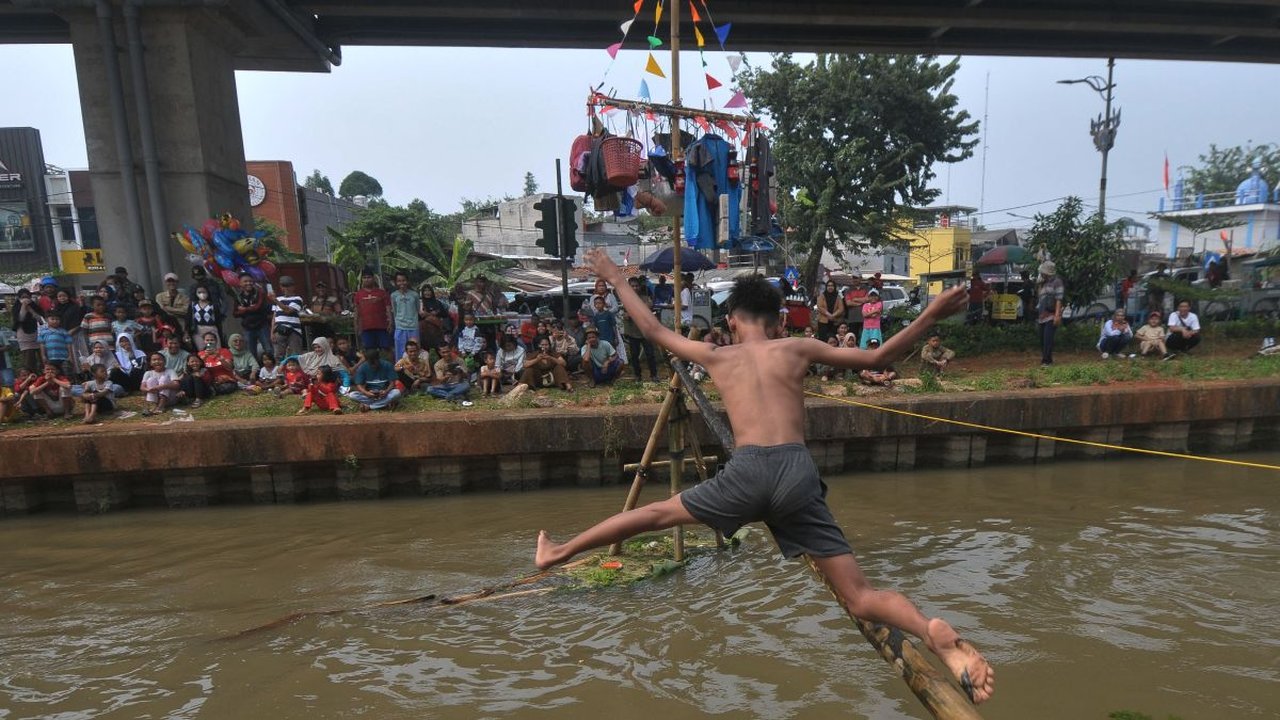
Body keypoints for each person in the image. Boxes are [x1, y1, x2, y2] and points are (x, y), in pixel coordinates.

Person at [534, 248, 994, 706]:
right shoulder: (797, 348)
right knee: (860, 596)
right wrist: (930, 313)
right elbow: (878, 358)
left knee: (654, 514)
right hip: (797, 473)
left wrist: (616, 277)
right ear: (777, 325)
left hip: (747, 472)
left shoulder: (717, 355)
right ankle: (930, 632)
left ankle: (559, 551)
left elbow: (653, 331)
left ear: (732, 321)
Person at [622, 277, 659, 382]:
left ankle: (654, 375)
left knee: (650, 354)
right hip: (632, 331)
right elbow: (626, 314)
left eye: (636, 286)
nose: (635, 288)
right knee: (634, 355)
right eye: (632, 286)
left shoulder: (646, 298)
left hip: (645, 331)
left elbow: (649, 308)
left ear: (640, 287)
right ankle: (637, 375)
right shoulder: (626, 299)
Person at [231, 272, 272, 359]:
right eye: (245, 281)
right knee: (251, 352)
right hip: (248, 328)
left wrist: (244, 309)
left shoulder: (259, 293)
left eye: (250, 281)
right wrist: (250, 308)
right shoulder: (238, 297)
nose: (248, 283)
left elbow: (258, 307)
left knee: (268, 349)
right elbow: (235, 313)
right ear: (240, 283)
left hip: (262, 325)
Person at [353, 269, 393, 352]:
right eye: (364, 278)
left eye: (369, 277)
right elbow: (357, 311)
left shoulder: (382, 293)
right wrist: (356, 325)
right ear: (362, 280)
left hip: (382, 327)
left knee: (385, 350)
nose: (367, 279)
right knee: (370, 352)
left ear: (373, 278)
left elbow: (388, 308)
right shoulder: (358, 294)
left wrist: (391, 322)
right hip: (366, 328)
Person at [1035, 261, 1064, 366]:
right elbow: (1040, 297)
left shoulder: (1057, 282)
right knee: (1042, 339)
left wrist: (1057, 315)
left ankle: (1046, 361)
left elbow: (1058, 299)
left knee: (1048, 339)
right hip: (1042, 315)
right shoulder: (1044, 283)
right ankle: (1047, 359)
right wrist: (1039, 284)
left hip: (1051, 314)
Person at [270, 275, 306, 361]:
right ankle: (280, 369)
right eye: (283, 286)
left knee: (296, 355)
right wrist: (272, 332)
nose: (286, 288)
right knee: (278, 355)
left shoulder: (298, 299)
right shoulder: (278, 299)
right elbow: (274, 317)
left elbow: (288, 310)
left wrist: (275, 300)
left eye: (288, 286)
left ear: (293, 287)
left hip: (294, 330)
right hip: (279, 329)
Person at [389, 272, 421, 360]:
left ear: (407, 281)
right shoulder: (394, 295)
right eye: (399, 281)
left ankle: (416, 367)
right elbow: (394, 310)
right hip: (400, 327)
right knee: (400, 350)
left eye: (404, 280)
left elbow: (417, 309)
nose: (402, 283)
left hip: (413, 326)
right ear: (396, 282)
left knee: (414, 350)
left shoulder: (414, 295)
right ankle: (401, 367)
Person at [11, 288, 44, 373]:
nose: (25, 299)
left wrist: (30, 309)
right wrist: (23, 306)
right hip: (24, 335)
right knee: (29, 359)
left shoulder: (34, 305)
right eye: (23, 297)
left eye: (27, 297)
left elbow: (41, 320)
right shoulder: (16, 307)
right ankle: (30, 376)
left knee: (43, 358)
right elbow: (20, 319)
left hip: (38, 334)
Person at [155, 272, 191, 341]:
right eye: (169, 281)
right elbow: (161, 309)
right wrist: (178, 310)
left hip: (180, 324)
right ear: (166, 283)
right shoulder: (159, 296)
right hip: (165, 324)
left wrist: (168, 308)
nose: (171, 283)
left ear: (177, 282)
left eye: (173, 281)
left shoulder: (185, 297)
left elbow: (186, 311)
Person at [418, 285, 452, 350]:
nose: (427, 292)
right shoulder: (420, 303)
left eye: (429, 290)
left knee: (438, 348)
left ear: (432, 292)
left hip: (437, 330)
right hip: (424, 331)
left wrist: (436, 313)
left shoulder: (437, 302)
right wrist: (429, 314)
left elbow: (445, 314)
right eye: (425, 291)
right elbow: (419, 316)